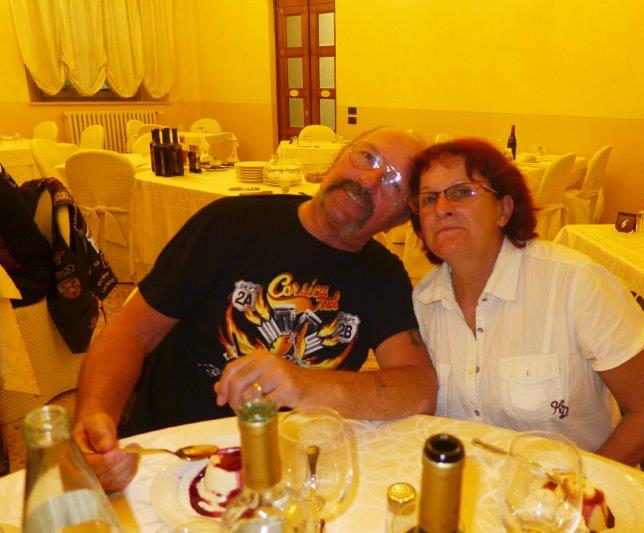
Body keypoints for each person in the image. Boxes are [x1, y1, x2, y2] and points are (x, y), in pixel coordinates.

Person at [74, 127, 437, 492]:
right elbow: (132, 331)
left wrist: (305, 385)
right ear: (338, 157)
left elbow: (419, 388)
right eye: (367, 156)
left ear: (400, 220)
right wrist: (95, 417)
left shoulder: (382, 276)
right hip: (173, 455)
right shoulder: (229, 224)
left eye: (393, 183)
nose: (368, 180)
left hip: (290, 473)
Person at [408, 138, 644, 466]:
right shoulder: (423, 302)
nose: (442, 208)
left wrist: (577, 487)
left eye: (462, 192)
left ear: (504, 210)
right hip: (465, 483)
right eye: (428, 199)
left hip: (568, 487)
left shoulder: (576, 284)